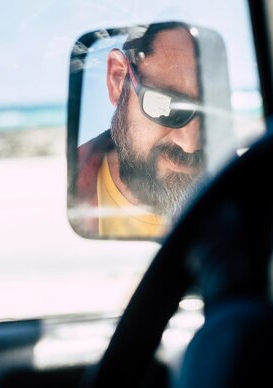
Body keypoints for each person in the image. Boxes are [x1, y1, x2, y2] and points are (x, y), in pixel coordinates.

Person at [73, 23, 204, 238]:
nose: (189, 144)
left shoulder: (242, 193)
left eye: (209, 112)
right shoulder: (65, 189)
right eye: (165, 104)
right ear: (118, 79)